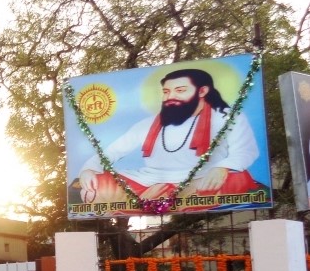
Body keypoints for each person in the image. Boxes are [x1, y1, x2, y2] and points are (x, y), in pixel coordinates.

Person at [76, 68, 260, 207]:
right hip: (149, 181)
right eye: (166, 92)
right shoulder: (148, 123)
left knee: (238, 179)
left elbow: (246, 151)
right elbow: (111, 152)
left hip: (203, 181)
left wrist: (222, 167)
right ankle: (150, 200)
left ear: (202, 91)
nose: (171, 96)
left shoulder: (226, 117)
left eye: (180, 90)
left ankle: (151, 201)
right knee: (94, 184)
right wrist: (89, 169)